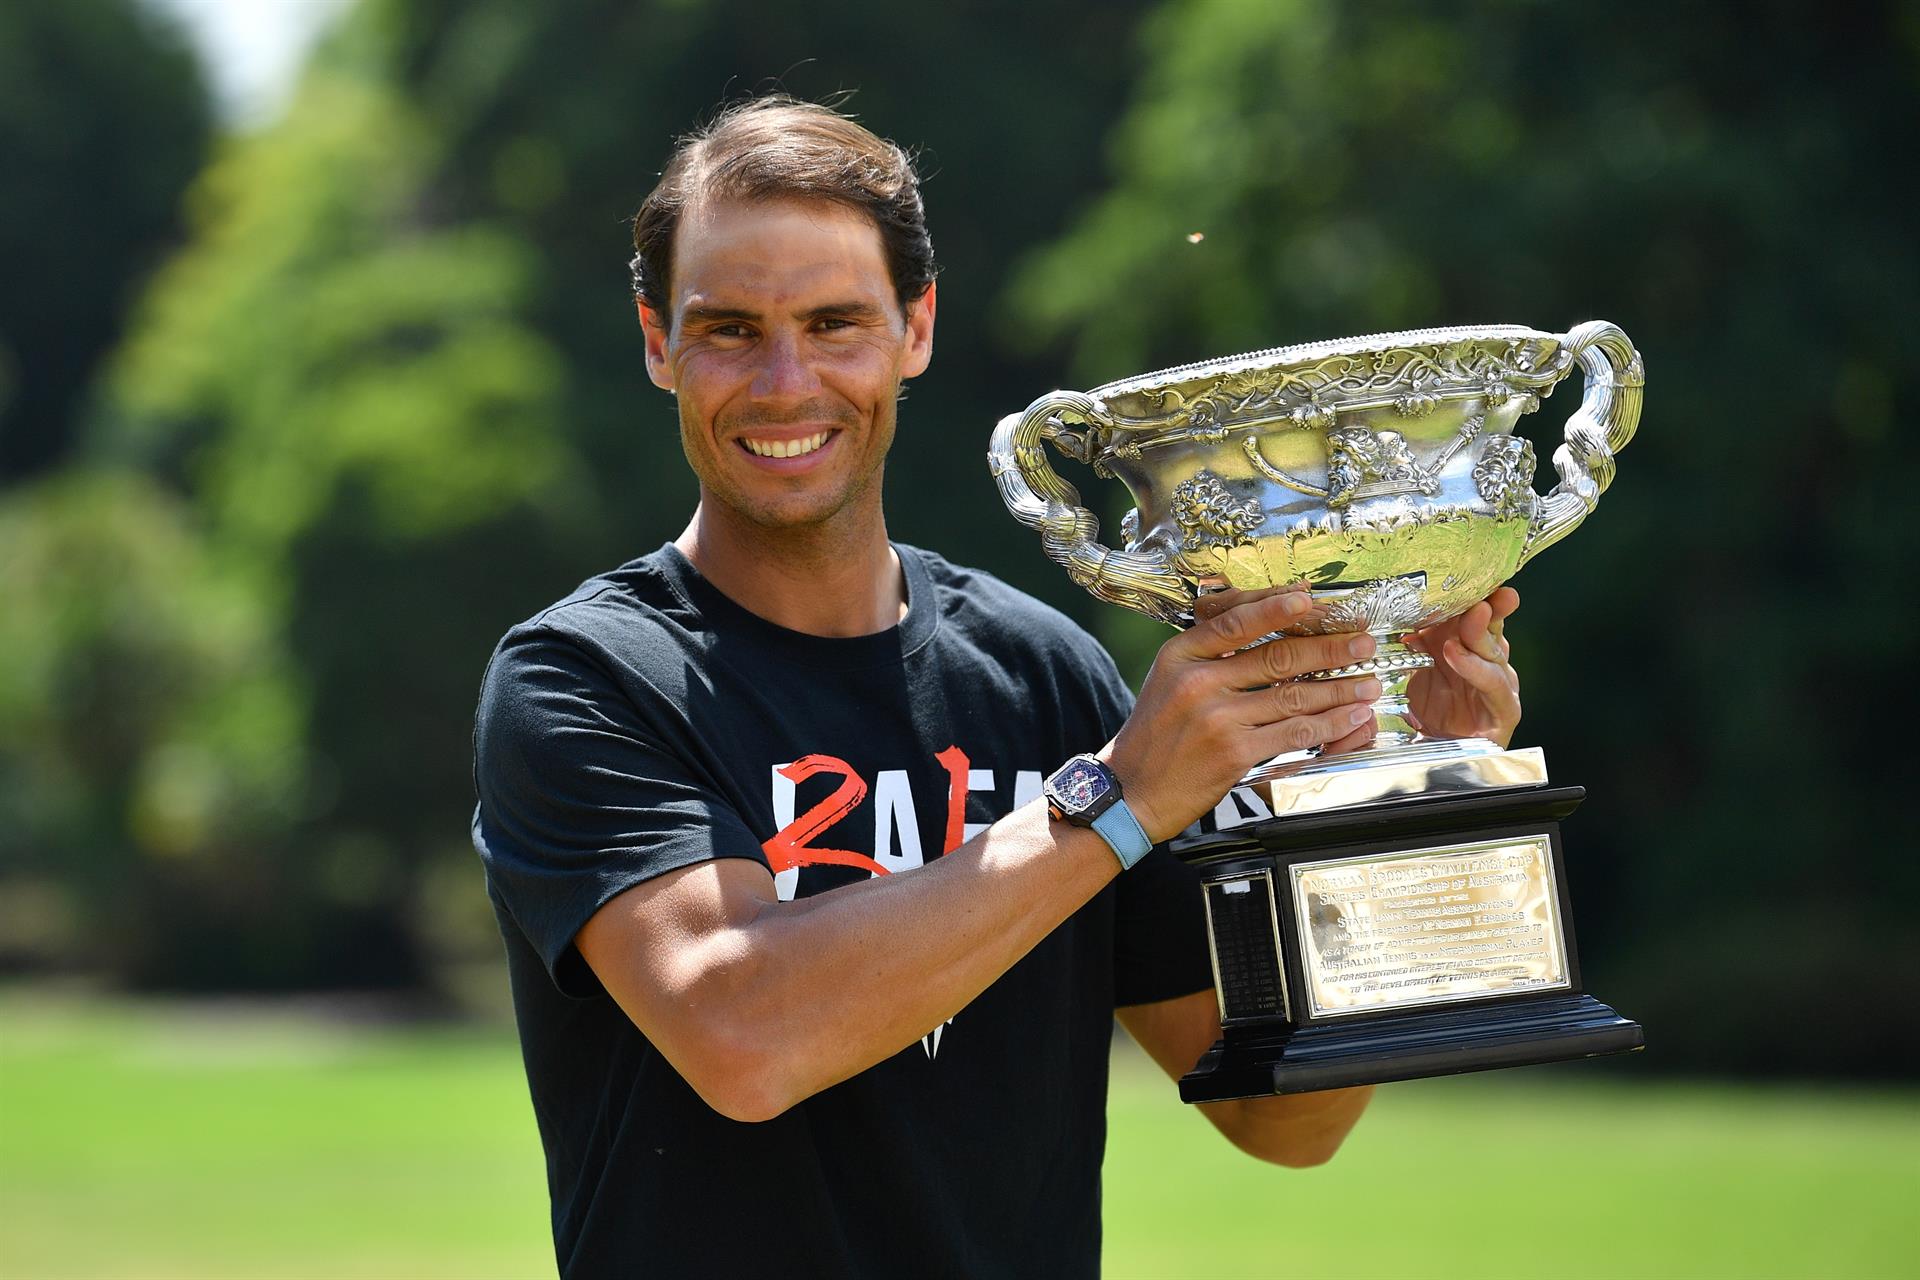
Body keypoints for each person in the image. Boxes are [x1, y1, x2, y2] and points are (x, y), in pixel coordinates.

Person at [470, 96, 1524, 1279]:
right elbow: (742, 1033)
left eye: (834, 322)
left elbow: (1283, 1118)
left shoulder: (1039, 673)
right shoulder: (588, 677)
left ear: (915, 327)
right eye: (727, 328)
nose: (783, 380)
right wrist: (1117, 802)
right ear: (658, 341)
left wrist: (1410, 809)